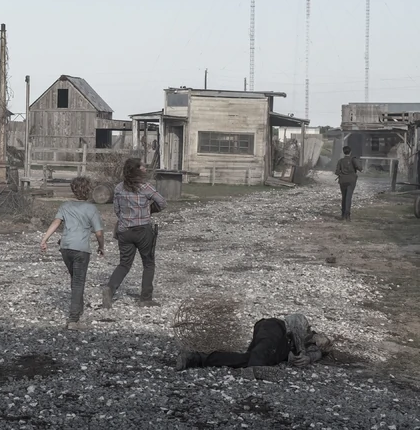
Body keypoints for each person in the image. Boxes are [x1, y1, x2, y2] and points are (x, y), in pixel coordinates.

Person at [175, 313, 333, 377]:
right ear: (318, 334)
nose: (320, 342)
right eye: (322, 338)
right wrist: (302, 352)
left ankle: (196, 358)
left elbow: (316, 355)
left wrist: (310, 357)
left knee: (246, 358)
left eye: (322, 345)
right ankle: (254, 369)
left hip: (275, 352)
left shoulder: (313, 350)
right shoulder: (303, 325)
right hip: (274, 329)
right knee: (259, 356)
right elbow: (294, 328)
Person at [40, 176, 105, 330]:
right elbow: (99, 232)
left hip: (65, 247)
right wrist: (102, 246)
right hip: (81, 249)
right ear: (89, 191)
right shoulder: (91, 209)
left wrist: (44, 239)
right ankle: (73, 319)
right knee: (78, 281)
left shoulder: (65, 206)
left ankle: (78, 308)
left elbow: (56, 223)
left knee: (74, 278)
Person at [101, 157, 166, 308]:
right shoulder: (145, 187)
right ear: (137, 170)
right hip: (143, 229)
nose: (145, 168)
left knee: (124, 264)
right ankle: (145, 298)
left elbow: (117, 210)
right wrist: (149, 210)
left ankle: (110, 290)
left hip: (124, 230)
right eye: (143, 167)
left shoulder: (118, 188)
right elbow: (162, 202)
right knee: (148, 263)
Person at [334, 146, 363, 220]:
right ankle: (347, 215)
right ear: (350, 152)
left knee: (344, 197)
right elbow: (360, 168)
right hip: (351, 180)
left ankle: (343, 215)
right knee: (348, 197)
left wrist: (342, 174)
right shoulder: (353, 159)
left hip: (342, 181)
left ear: (344, 152)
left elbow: (337, 172)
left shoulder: (340, 161)